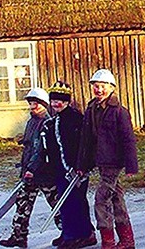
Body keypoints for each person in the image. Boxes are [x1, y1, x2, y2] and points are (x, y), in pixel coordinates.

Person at [77, 69, 138, 249]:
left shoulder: (119, 111)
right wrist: (82, 164)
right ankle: (127, 240)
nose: (99, 90)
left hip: (114, 161)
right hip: (101, 160)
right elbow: (86, 139)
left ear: (111, 88)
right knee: (117, 198)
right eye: (96, 86)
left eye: (103, 86)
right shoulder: (91, 109)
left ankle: (108, 241)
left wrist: (131, 166)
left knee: (101, 198)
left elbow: (128, 139)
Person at [0, 87, 61, 248]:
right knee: (22, 202)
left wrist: (32, 169)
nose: (33, 107)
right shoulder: (31, 121)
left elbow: (40, 149)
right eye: (31, 104)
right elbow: (30, 147)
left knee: (56, 204)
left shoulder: (47, 122)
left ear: (44, 105)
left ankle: (70, 232)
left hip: (43, 172)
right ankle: (19, 236)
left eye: (36, 104)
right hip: (29, 171)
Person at [39, 81, 96, 248]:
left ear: (67, 101)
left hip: (76, 169)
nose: (56, 103)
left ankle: (83, 234)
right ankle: (68, 232)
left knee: (76, 202)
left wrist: (83, 166)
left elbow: (85, 144)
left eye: (60, 100)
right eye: (54, 100)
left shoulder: (76, 119)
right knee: (64, 202)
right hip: (60, 170)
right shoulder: (55, 120)